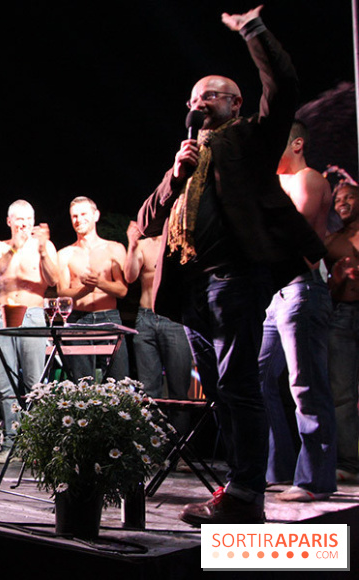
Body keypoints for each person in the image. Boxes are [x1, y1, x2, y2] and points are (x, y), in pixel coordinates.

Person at [135, 7, 325, 525]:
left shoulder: (251, 139)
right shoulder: (188, 156)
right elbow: (146, 221)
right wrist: (176, 174)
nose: (201, 103)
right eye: (196, 98)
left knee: (239, 384)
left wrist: (253, 31)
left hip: (234, 276)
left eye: (212, 95)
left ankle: (245, 495)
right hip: (191, 289)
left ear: (236, 103)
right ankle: (239, 484)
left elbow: (284, 85)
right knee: (219, 388)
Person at [259, 121, 337, 502]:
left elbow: (297, 233)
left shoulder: (308, 179)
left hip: (302, 287)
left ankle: (314, 480)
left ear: (297, 144)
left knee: (305, 384)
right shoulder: (277, 185)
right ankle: (277, 469)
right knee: (257, 377)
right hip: (277, 294)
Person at [0, 200, 59, 463]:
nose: (24, 224)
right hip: (5, 314)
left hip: (33, 314)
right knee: (6, 385)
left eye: (28, 219)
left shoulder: (45, 246)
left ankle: (36, 444)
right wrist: (14, 248)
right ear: (9, 221)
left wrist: (42, 252)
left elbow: (54, 280)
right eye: (18, 219)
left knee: (35, 383)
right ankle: (11, 444)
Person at [57, 196, 129, 380]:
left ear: (96, 215)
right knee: (81, 381)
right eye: (74, 216)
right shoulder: (65, 254)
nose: (78, 220)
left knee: (118, 380)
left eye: (83, 214)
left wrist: (99, 283)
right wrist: (85, 290)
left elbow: (122, 290)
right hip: (78, 319)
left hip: (108, 316)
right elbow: (62, 292)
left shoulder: (114, 248)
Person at [124, 221, 193, 407]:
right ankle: (153, 435)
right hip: (145, 318)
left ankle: (180, 436)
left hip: (174, 318)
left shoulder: (182, 243)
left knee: (179, 391)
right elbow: (129, 277)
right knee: (148, 390)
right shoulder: (144, 245)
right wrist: (131, 244)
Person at [325, 182, 359, 483]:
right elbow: (326, 289)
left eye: (350, 197)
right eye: (338, 199)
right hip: (342, 316)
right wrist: (336, 279)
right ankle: (349, 463)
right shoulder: (332, 241)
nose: (343, 202)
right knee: (343, 394)